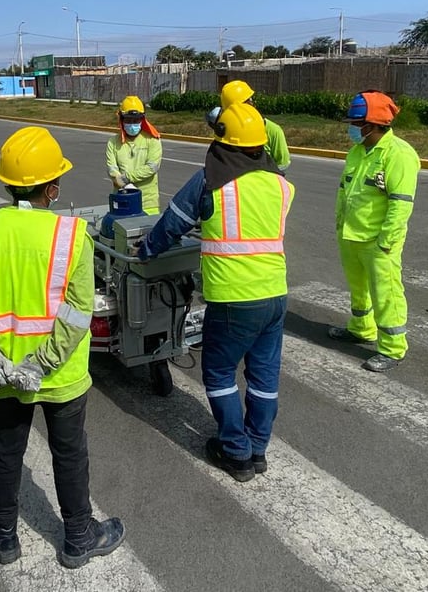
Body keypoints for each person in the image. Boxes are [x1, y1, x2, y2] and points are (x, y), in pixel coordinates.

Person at [0, 126, 125, 568]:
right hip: (61, 375)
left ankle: (3, 534)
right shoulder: (71, 235)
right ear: (52, 188)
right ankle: (78, 537)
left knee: (7, 451)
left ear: (7, 184)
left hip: (5, 372)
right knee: (69, 454)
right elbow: (78, 312)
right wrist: (43, 363)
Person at [136, 102, 294, 482]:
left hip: (233, 300)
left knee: (220, 372)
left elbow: (174, 222)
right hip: (275, 295)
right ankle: (258, 449)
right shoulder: (281, 184)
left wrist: (146, 250)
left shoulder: (210, 181)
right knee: (264, 375)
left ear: (223, 141)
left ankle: (236, 452)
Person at [329, 91, 420, 372]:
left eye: (356, 124)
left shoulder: (398, 154)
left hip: (378, 241)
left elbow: (400, 204)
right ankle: (361, 328)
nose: (352, 129)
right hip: (351, 235)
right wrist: (340, 223)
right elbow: (345, 191)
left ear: (373, 125)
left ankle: (393, 348)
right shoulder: (357, 152)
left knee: (386, 293)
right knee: (359, 289)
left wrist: (386, 241)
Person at [209, 80, 291, 171]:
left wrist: (267, 175)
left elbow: (283, 163)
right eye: (248, 100)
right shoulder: (227, 130)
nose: (251, 102)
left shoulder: (273, 130)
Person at [105, 95, 162, 213]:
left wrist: (127, 178)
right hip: (122, 200)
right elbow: (112, 169)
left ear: (142, 120)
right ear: (121, 119)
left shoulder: (152, 140)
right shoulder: (113, 142)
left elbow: (152, 167)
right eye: (128, 120)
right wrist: (124, 185)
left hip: (148, 203)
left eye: (136, 120)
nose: (132, 124)